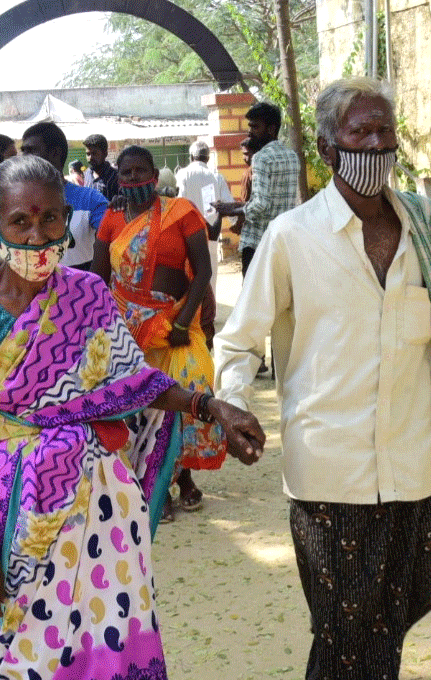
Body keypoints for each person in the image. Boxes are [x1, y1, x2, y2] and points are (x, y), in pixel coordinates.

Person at [0, 154, 264, 680]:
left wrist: (211, 405)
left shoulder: (88, 296)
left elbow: (136, 381)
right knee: (34, 632)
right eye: (20, 222)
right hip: (18, 510)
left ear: (68, 219)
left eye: (50, 218)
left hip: (100, 502)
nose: (37, 236)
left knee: (113, 633)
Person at [214, 77, 431, 680]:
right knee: (346, 594)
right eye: (358, 133)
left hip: (408, 450)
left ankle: (358, 674)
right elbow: (239, 341)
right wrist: (231, 400)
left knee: (410, 579)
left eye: (383, 132)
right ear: (327, 145)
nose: (375, 145)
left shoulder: (428, 231)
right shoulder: (291, 237)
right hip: (328, 455)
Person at [91, 145, 222, 522]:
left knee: (187, 395)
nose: (133, 178)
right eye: (127, 172)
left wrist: (182, 323)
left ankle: (185, 478)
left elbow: (203, 272)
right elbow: (100, 280)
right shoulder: (112, 217)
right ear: (119, 176)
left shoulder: (181, 212)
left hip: (175, 322)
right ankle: (156, 485)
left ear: (154, 173)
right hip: (127, 329)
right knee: (142, 408)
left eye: (140, 170)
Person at [0, 122, 108, 271]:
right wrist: (22, 263)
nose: (23, 157)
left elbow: (113, 241)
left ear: (55, 153)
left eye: (30, 150)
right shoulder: (13, 201)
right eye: (20, 221)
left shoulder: (91, 201)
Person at [213, 102, 300, 278]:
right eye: (250, 126)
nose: (250, 132)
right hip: (282, 243)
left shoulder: (260, 158)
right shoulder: (292, 156)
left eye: (255, 127)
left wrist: (232, 209)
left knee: (253, 302)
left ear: (271, 129)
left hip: (257, 243)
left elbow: (260, 204)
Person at [176, 140, 234, 295]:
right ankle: (210, 313)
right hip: (212, 232)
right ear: (207, 159)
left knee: (190, 271)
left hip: (188, 233)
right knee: (211, 272)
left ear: (191, 157)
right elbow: (229, 204)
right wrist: (237, 223)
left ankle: (195, 313)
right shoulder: (217, 177)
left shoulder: (183, 174)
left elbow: (179, 201)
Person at [83, 133, 118, 200]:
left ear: (105, 154)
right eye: (88, 154)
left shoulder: (115, 176)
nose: (90, 158)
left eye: (94, 153)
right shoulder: (87, 174)